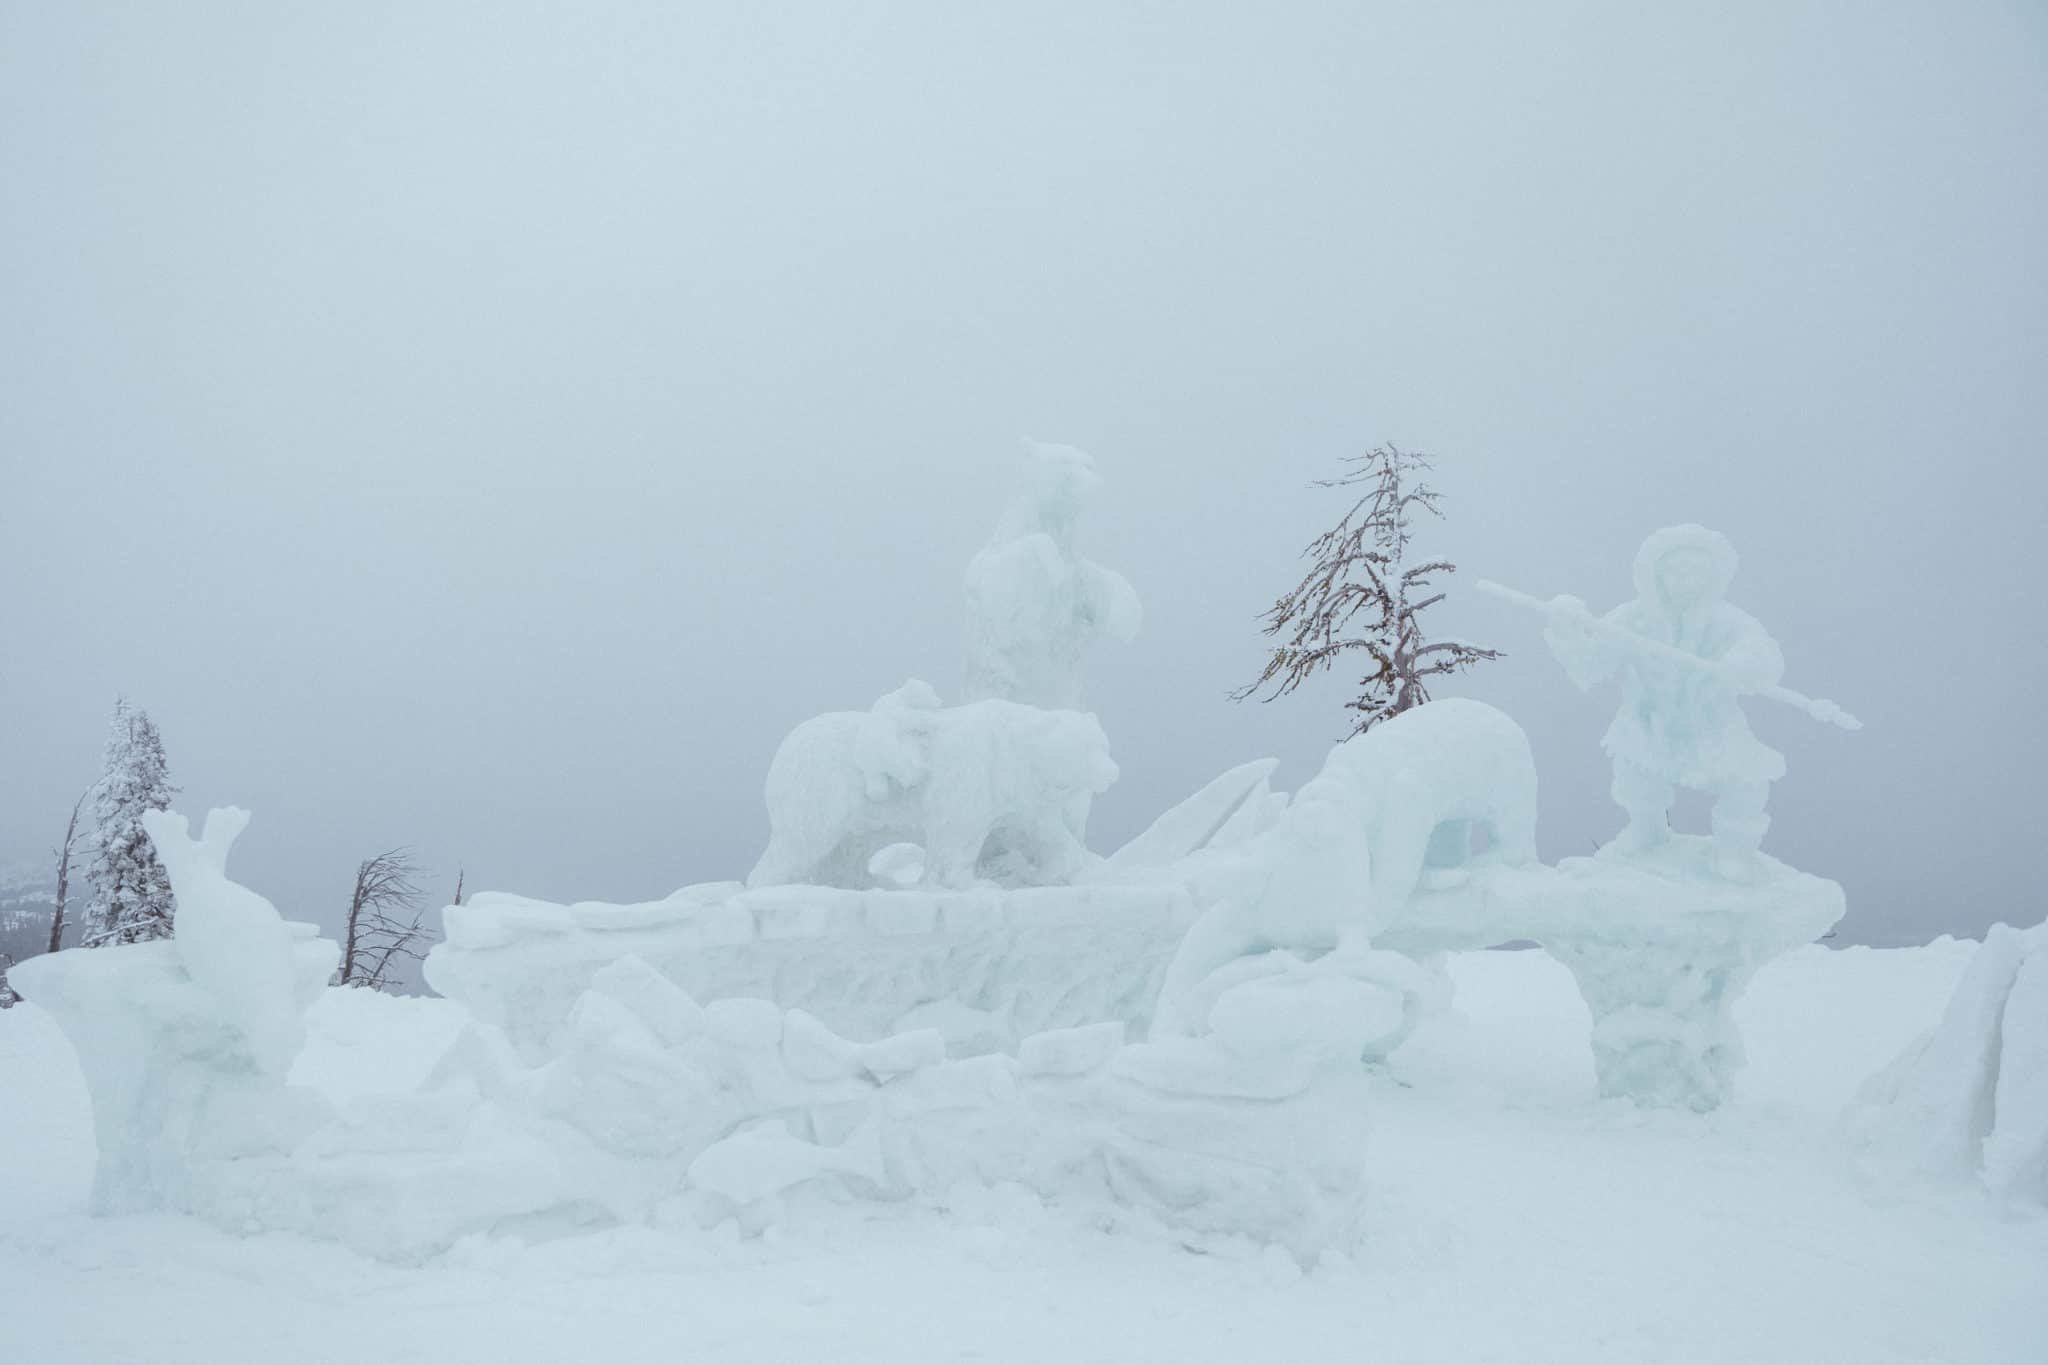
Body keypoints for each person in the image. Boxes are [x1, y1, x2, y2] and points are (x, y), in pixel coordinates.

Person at [1544, 524, 1784, 878]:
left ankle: (1734, 850)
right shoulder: (1632, 618)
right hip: (1647, 722)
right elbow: (1592, 662)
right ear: (1656, 574)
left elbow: (1760, 652)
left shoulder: (1728, 621)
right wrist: (1567, 629)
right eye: (1675, 571)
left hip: (1711, 726)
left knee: (1745, 784)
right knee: (1635, 775)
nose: (1684, 581)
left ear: (1712, 577)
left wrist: (1742, 665)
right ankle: (1647, 831)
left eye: (1695, 572)